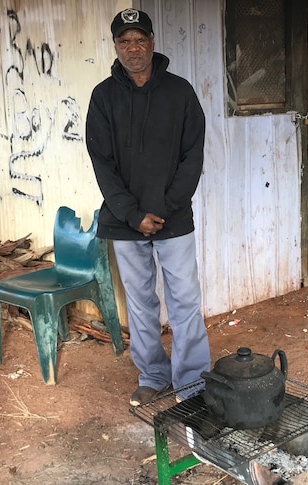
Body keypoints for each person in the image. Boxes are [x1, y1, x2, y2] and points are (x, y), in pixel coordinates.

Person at [85, 8, 210, 406]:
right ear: (116, 47)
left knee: (185, 301)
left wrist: (166, 207)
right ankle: (154, 375)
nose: (133, 48)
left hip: (173, 220)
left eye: (140, 40)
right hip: (126, 223)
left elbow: (193, 156)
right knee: (140, 304)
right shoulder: (103, 97)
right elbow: (100, 161)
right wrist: (132, 214)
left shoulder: (180, 92)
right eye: (125, 41)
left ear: (152, 43)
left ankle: (191, 382)